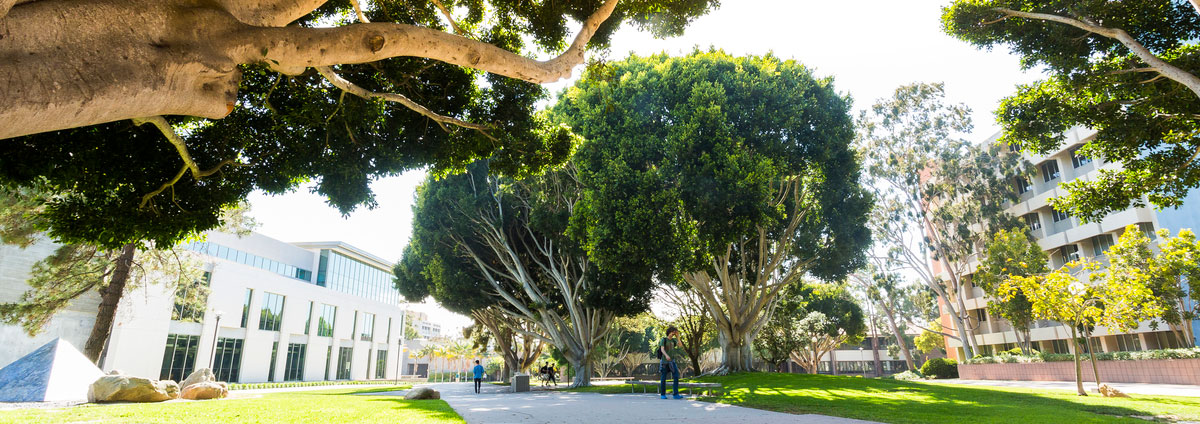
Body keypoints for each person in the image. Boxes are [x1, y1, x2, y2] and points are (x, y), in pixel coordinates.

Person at [658, 326, 684, 399]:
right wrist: (666, 355)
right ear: (670, 331)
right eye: (673, 331)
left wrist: (678, 337)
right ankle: (663, 394)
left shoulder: (674, 341)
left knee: (676, 376)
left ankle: (675, 394)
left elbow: (680, 345)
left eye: (675, 332)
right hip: (665, 362)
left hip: (672, 361)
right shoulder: (664, 340)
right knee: (663, 378)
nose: (674, 333)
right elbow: (662, 349)